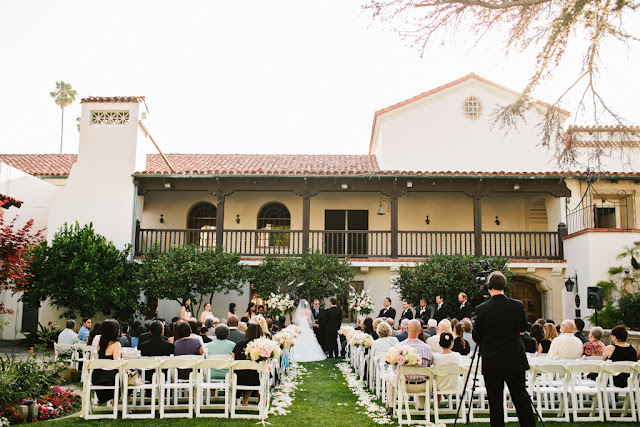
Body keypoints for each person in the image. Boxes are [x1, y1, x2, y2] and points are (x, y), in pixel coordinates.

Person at [472, 271, 535, 427]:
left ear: (488, 287)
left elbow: (476, 336)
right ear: (504, 286)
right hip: (514, 359)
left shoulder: (482, 309)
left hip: (492, 360)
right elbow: (522, 329)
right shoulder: (518, 306)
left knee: (495, 401)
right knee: (521, 397)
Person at [388, 319, 433, 412]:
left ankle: (391, 407)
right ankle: (421, 407)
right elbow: (429, 365)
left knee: (389, 376)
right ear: (420, 331)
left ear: (407, 329)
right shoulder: (427, 348)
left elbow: (395, 369)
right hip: (423, 385)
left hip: (404, 384)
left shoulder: (399, 347)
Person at [232, 324, 264, 406]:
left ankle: (244, 401)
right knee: (255, 373)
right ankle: (247, 401)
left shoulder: (239, 344)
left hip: (238, 377)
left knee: (246, 373)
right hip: (255, 378)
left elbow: (233, 359)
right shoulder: (262, 347)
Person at [91, 319, 122, 404]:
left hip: (97, 377)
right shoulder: (116, 345)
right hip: (111, 378)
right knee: (128, 379)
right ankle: (118, 406)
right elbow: (116, 363)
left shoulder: (99, 344)